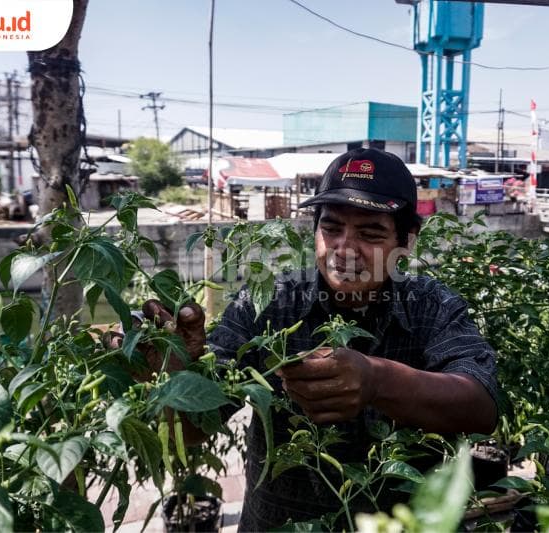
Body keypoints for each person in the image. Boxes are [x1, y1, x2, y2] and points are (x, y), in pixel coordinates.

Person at [111, 148, 498, 530]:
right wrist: (172, 376)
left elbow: (481, 407)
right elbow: (196, 428)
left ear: (408, 240)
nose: (344, 248)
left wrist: (378, 380)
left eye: (371, 232)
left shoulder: (431, 306)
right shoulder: (269, 302)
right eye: (331, 228)